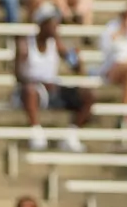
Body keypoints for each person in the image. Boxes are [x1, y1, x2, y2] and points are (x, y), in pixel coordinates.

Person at [16, 12, 92, 152]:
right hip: (33, 89)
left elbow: (77, 69)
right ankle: (36, 132)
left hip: (52, 88)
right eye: (52, 25)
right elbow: (18, 75)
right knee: (30, 91)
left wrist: (77, 58)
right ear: (42, 25)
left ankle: (71, 135)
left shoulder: (56, 44)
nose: (55, 29)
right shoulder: (25, 43)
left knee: (86, 96)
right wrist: (39, 82)